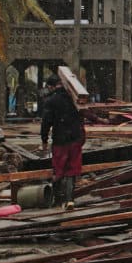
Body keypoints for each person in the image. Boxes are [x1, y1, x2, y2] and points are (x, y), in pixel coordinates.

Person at [40, 74, 86, 209]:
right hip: (75, 138)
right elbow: (84, 114)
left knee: (59, 170)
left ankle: (58, 200)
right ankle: (70, 200)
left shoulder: (51, 101)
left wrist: (44, 139)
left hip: (60, 140)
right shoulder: (74, 98)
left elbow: (46, 122)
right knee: (72, 170)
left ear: (50, 86)